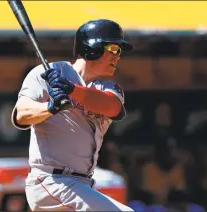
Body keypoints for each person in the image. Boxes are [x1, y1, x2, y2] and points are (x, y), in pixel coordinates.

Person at [11, 19, 134, 211]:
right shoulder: (44, 74)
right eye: (114, 48)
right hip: (51, 181)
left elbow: (112, 107)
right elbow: (22, 114)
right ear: (92, 47)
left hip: (82, 185)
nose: (118, 56)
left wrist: (70, 89)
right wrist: (50, 108)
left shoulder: (108, 88)